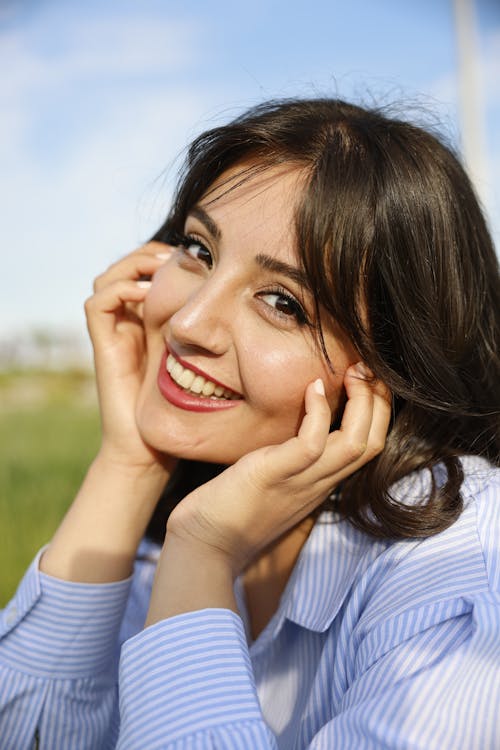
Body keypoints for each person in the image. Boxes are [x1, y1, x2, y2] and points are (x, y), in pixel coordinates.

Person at [0, 98, 499, 750]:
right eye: (198, 249)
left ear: (389, 365)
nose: (187, 323)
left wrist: (203, 554)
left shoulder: (463, 561)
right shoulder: (155, 546)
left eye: (282, 302)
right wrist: (127, 467)